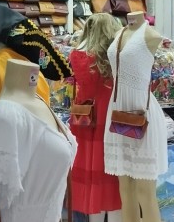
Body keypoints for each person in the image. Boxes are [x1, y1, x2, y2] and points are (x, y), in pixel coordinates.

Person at [68, 13, 123, 221]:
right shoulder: (114, 55)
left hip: (85, 119)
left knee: (91, 174)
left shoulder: (77, 54)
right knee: (112, 175)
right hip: (110, 115)